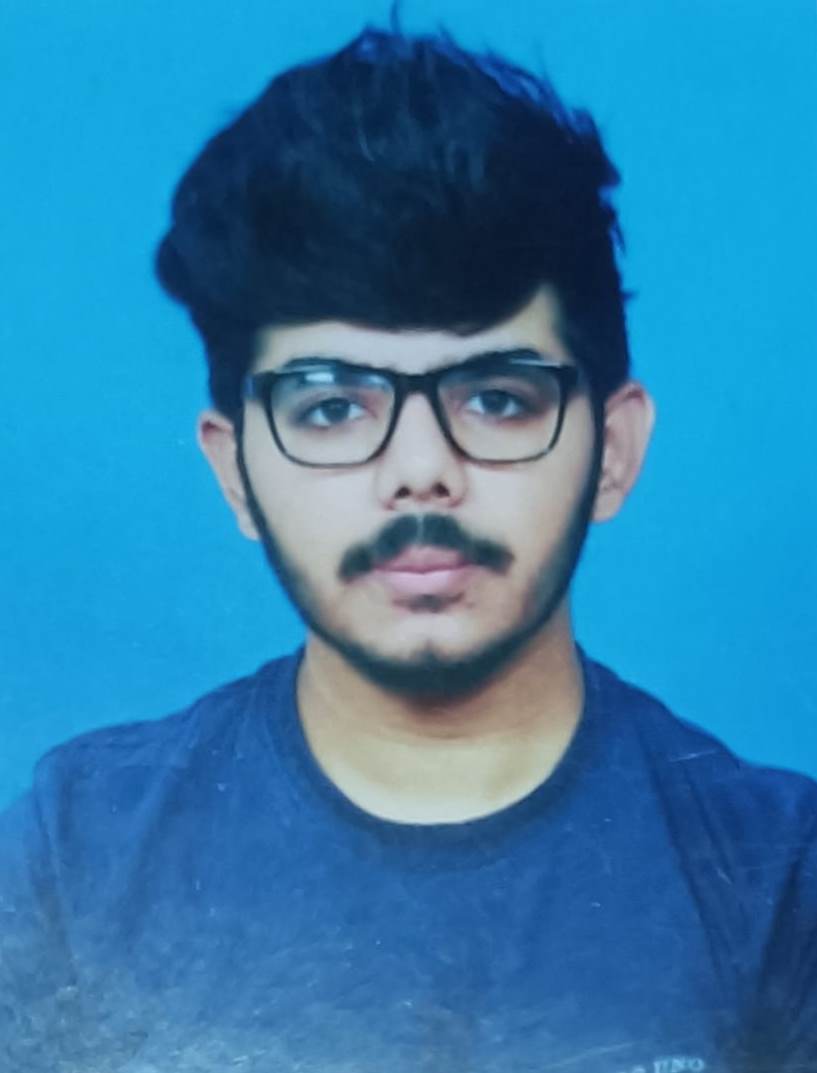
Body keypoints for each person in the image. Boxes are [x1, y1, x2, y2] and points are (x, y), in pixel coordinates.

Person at [1, 23, 814, 1073]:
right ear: (235, 470)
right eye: (332, 405)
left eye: (496, 397)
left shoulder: (779, 877)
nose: (420, 470)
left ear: (612, 451)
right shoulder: (76, 856)